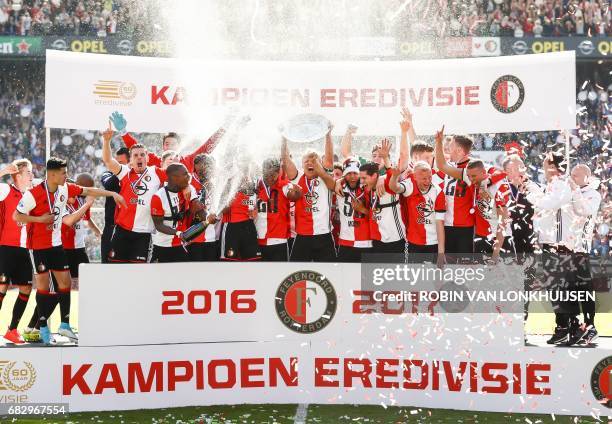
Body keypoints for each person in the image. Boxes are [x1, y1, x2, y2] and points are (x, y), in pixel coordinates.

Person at [14, 157, 124, 345]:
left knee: (65, 283)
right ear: (53, 174)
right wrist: (40, 220)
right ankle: (42, 326)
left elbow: (88, 190)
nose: (67, 176)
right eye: (64, 173)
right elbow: (17, 215)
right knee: (43, 288)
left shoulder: (66, 188)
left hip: (56, 245)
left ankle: (64, 324)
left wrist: (112, 193)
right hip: (37, 246)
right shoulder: (33, 194)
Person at [523, 152, 582, 346]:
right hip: (551, 243)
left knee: (562, 289)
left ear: (553, 166)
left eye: (544, 163)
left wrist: (531, 197)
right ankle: (564, 327)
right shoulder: (552, 185)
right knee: (555, 289)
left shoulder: (562, 185)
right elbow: (544, 203)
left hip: (560, 244)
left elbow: (550, 204)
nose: (542, 166)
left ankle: (573, 327)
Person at [101, 122, 167, 263]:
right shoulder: (124, 172)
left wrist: (186, 187)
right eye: (135, 155)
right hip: (122, 231)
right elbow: (108, 160)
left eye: (142, 155)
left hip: (144, 234)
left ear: (147, 158)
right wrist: (106, 141)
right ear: (130, 160)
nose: (139, 158)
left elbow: (175, 177)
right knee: (116, 270)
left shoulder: (156, 172)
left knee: (138, 274)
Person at [109, 111, 231, 173]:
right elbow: (136, 149)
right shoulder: (156, 162)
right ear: (163, 146)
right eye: (167, 144)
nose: (170, 147)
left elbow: (207, 148)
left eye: (173, 144)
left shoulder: (188, 160)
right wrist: (123, 132)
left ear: (179, 146)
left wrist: (224, 128)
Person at [283, 126, 337, 262]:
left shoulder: (325, 177)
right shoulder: (297, 177)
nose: (310, 163)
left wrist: (328, 134)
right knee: (296, 273)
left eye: (313, 160)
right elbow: (285, 158)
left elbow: (329, 158)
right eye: (306, 161)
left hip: (324, 235)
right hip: (302, 236)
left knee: (330, 274)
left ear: (320, 163)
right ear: (301, 165)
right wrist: (283, 136)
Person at [0, 160, 34, 344]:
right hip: (5, 247)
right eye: (28, 172)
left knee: (26, 288)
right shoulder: (6, 189)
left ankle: (12, 329)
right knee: (1, 288)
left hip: (24, 249)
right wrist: (3, 171)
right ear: (18, 176)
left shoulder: (30, 195)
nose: (31, 175)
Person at [568, 164, 602, 344]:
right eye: (572, 175)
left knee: (584, 289)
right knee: (568, 290)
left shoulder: (593, 194)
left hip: (581, 248)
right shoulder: (570, 191)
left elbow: (584, 211)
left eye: (577, 176)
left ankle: (591, 326)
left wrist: (574, 192)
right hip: (565, 247)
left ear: (587, 177)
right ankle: (575, 325)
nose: (573, 179)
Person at [388, 161, 446, 264]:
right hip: (413, 242)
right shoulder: (409, 185)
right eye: (424, 178)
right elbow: (394, 188)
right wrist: (395, 176)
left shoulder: (437, 191)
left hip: (433, 242)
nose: (428, 181)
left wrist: (441, 253)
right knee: (415, 276)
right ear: (415, 177)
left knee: (434, 277)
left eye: (430, 177)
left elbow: (440, 223)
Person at [434, 126, 476, 257]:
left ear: (459, 150)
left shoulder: (471, 168)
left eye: (450, 147)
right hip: (447, 226)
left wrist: (439, 142)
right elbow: (439, 165)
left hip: (465, 228)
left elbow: (441, 165)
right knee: (450, 269)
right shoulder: (451, 167)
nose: (448, 150)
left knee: (464, 269)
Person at [360, 140, 406, 255]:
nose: (376, 159)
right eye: (374, 156)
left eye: (380, 156)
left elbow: (393, 175)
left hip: (394, 237)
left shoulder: (388, 181)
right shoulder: (368, 183)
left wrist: (385, 159)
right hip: (376, 237)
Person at [150, 163, 203, 263]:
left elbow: (201, 213)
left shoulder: (188, 189)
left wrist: (208, 215)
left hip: (179, 244)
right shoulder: (158, 197)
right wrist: (179, 233)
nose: (189, 176)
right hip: (162, 245)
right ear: (174, 178)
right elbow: (159, 225)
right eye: (185, 174)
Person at [464, 160, 512, 263]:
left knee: (503, 277)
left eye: (474, 176)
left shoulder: (499, 186)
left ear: (484, 172)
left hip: (501, 239)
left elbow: (503, 222)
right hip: (481, 237)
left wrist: (495, 254)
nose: (471, 180)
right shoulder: (474, 183)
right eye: (469, 176)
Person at [255, 158, 302, 261]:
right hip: (259, 238)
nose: (271, 177)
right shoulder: (256, 186)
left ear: (278, 172)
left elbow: (294, 195)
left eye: (274, 173)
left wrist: (297, 191)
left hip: (278, 239)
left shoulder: (283, 185)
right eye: (268, 173)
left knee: (279, 274)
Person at [61, 173, 101, 289]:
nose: (89, 191)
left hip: (79, 247)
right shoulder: (62, 199)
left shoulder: (83, 202)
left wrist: (99, 232)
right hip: (64, 247)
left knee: (87, 279)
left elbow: (87, 220)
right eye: (88, 188)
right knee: (64, 282)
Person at [334, 158, 371, 262]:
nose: (352, 177)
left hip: (366, 242)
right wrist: (338, 181)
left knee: (365, 277)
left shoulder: (368, 187)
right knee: (345, 277)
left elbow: (378, 216)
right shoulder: (339, 186)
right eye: (348, 173)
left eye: (355, 173)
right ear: (344, 175)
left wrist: (363, 210)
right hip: (345, 242)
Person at [186, 154, 220, 261]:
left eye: (209, 166)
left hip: (213, 237)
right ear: (196, 166)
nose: (208, 169)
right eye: (204, 165)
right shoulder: (189, 183)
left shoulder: (216, 184)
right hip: (194, 238)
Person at [100, 147, 129, 264]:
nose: (117, 166)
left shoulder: (136, 177)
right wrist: (120, 171)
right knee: (107, 267)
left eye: (120, 163)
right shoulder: (108, 173)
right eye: (115, 162)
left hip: (130, 229)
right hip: (111, 227)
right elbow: (107, 184)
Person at [220, 179, 260, 261]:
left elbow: (256, 200)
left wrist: (256, 208)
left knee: (253, 261)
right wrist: (233, 191)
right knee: (229, 263)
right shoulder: (227, 180)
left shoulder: (254, 179)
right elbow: (223, 210)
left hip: (249, 225)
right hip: (231, 226)